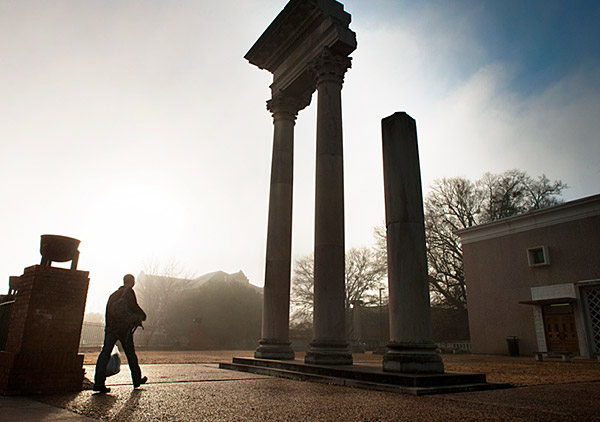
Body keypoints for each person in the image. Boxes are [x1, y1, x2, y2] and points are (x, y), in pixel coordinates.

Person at [93, 273, 147, 393]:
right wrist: (143, 315)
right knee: (131, 354)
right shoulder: (129, 292)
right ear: (132, 282)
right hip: (124, 330)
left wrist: (109, 328)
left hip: (111, 329)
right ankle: (137, 380)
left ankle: (98, 382)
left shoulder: (113, 295)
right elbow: (134, 307)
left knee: (105, 354)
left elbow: (108, 312)